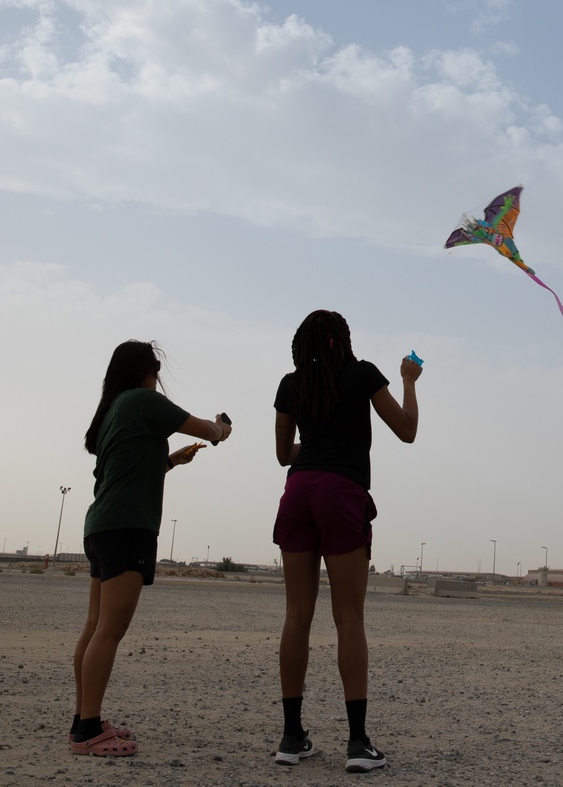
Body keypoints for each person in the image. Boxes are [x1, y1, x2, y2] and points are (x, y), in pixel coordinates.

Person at [272, 309, 421, 774]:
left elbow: (283, 455)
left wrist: (315, 448)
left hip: (299, 492)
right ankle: (357, 744)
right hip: (342, 493)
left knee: (297, 616)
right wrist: (409, 380)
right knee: (349, 617)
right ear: (340, 341)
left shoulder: (291, 384)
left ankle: (291, 738)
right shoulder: (363, 374)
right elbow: (407, 431)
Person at [70, 340, 232, 757]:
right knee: (110, 629)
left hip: (101, 526)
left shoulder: (112, 412)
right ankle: (88, 733)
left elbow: (125, 469)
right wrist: (221, 430)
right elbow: (208, 429)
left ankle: (82, 719)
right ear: (145, 369)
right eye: (156, 366)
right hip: (128, 527)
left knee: (94, 627)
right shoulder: (145, 401)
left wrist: (171, 461)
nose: (158, 374)